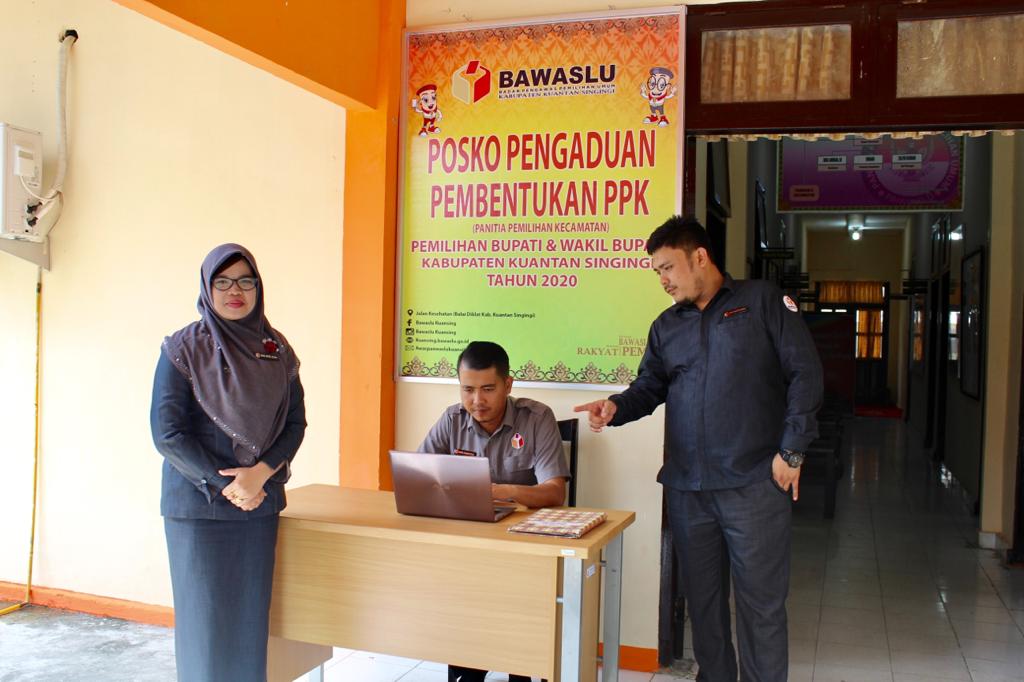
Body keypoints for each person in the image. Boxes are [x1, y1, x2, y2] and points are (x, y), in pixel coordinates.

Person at [575, 216, 823, 682]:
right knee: (704, 607)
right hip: (690, 489)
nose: (663, 280)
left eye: (668, 267)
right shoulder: (667, 327)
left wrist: (792, 450)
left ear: (700, 257)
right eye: (657, 272)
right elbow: (649, 387)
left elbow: (805, 374)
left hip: (754, 483)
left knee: (761, 606)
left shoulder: (762, 302)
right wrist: (615, 407)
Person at [151, 243, 306, 682]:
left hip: (258, 509)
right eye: (223, 281)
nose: (235, 291)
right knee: (205, 631)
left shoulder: (277, 349)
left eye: (245, 281)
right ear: (207, 287)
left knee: (248, 629)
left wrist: (261, 474)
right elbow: (168, 433)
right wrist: (230, 486)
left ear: (258, 287)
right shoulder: (183, 348)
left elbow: (295, 423)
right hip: (199, 512)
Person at [418, 340, 568, 682]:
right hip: (469, 544)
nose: (477, 400)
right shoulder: (452, 419)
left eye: (488, 389)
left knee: (516, 600)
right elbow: (419, 476)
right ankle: (468, 666)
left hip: (524, 547)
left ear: (508, 385)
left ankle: (521, 668)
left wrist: (502, 491)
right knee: (457, 589)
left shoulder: (537, 418)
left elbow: (555, 492)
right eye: (467, 390)